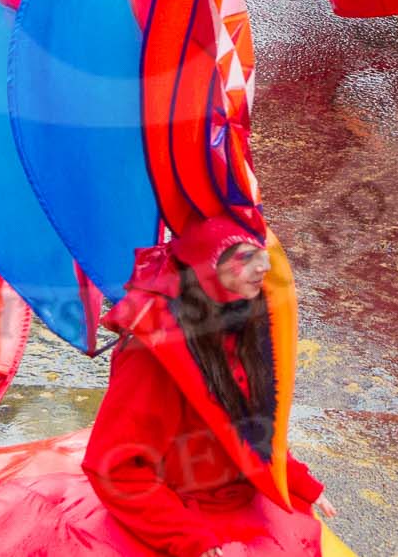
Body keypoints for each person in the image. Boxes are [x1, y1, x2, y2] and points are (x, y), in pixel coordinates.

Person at [84, 218, 334, 557]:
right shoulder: (151, 357)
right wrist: (192, 542)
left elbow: (247, 420)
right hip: (178, 512)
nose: (264, 267)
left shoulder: (244, 323)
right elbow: (115, 468)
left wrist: (294, 477)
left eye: (262, 254)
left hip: (235, 497)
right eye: (244, 258)